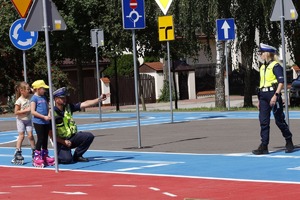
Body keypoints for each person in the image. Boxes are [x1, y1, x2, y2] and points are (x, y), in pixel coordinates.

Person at [252, 43, 295, 155]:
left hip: (273, 94)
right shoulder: (262, 67)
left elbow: (281, 82)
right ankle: (264, 145)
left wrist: (276, 95)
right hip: (263, 96)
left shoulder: (276, 66)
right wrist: (259, 100)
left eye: (261, 53)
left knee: (279, 120)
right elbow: (262, 84)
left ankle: (289, 140)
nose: (260, 55)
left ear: (267, 54)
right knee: (263, 121)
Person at [51, 87, 108, 164]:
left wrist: (99, 99)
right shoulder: (52, 112)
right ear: (56, 99)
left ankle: (77, 156)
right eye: (62, 98)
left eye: (65, 97)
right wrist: (63, 142)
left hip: (71, 138)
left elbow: (85, 103)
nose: (64, 99)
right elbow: (51, 135)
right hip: (60, 142)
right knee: (67, 160)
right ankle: (60, 155)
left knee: (88, 136)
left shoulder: (68, 107)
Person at [30, 80, 54, 167]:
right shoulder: (34, 98)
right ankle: (37, 156)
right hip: (38, 122)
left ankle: (45, 155)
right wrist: (43, 117)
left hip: (46, 121)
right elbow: (33, 111)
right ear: (37, 89)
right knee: (40, 138)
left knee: (45, 139)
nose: (44, 90)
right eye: (43, 88)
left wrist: (48, 115)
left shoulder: (44, 97)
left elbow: (48, 108)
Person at [11, 81, 35, 165]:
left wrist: (33, 89)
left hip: (28, 119)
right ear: (21, 90)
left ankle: (34, 151)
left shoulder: (31, 97)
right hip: (21, 120)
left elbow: (36, 93)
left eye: (29, 89)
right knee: (21, 136)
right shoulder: (19, 100)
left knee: (31, 136)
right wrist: (26, 110)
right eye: (27, 89)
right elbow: (16, 112)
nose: (29, 91)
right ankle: (18, 151)